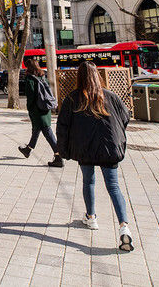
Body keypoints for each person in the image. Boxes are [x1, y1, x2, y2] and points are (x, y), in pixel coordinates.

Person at [56, 61, 134, 252]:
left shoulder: (73, 99)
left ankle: (91, 217)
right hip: (109, 149)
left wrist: (63, 150)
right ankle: (124, 226)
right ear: (97, 76)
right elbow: (125, 117)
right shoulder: (110, 96)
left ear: (80, 77)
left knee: (88, 182)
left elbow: (62, 127)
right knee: (114, 186)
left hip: (85, 149)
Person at [18, 58, 63, 167]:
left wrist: (29, 109)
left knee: (47, 132)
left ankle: (58, 156)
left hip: (36, 110)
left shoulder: (30, 80)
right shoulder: (43, 77)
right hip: (45, 109)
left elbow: (30, 97)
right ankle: (28, 149)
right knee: (37, 129)